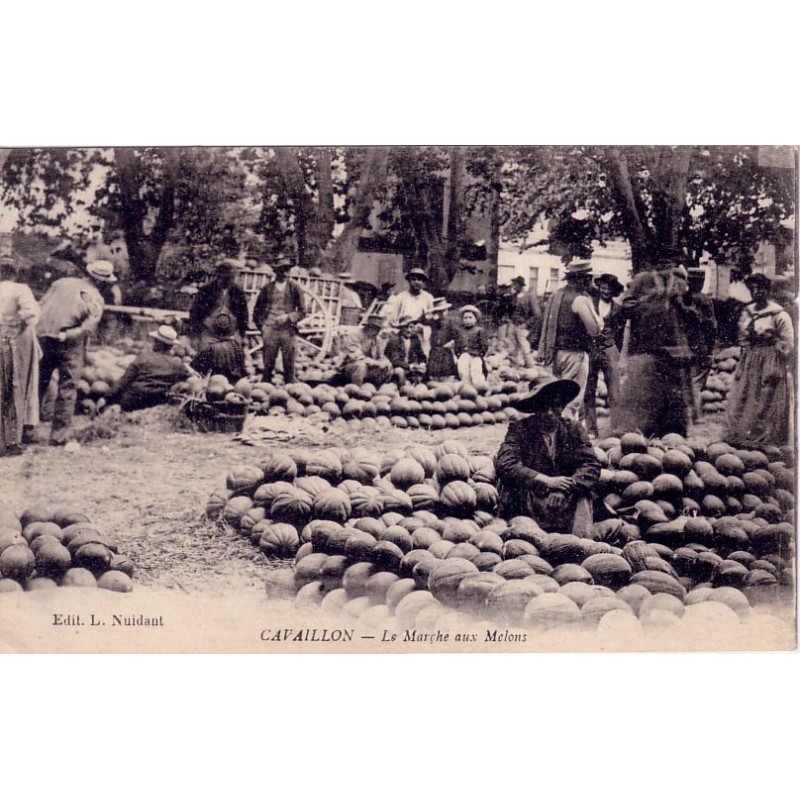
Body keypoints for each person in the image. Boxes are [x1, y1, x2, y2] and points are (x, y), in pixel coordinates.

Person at [495, 376, 601, 536]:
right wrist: (546, 480)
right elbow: (505, 463)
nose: (549, 413)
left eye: (555, 405)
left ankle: (580, 543)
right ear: (535, 408)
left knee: (583, 495)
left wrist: (566, 487)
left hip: (566, 497)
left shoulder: (574, 429)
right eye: (543, 407)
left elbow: (591, 465)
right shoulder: (520, 429)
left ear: (562, 406)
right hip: (532, 497)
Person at [615, 258, 697, 438]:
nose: (666, 265)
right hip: (646, 348)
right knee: (645, 396)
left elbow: (692, 314)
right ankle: (640, 435)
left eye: (670, 261)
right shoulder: (642, 280)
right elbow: (623, 308)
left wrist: (680, 304)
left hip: (674, 351)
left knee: (673, 398)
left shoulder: (680, 283)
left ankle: (673, 434)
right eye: (662, 259)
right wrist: (649, 301)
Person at [37, 259, 115, 445]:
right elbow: (88, 327)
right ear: (102, 281)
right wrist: (67, 335)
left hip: (45, 338)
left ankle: (26, 429)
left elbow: (42, 305)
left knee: (38, 383)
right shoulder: (95, 297)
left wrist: (42, 330)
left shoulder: (60, 283)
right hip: (69, 342)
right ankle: (58, 436)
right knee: (67, 388)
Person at [725, 273, 795, 448]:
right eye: (753, 289)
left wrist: (773, 345)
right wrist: (748, 348)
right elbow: (742, 336)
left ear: (767, 291)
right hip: (751, 360)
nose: (757, 292)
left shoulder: (778, 314)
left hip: (770, 360)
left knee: (766, 396)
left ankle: (764, 438)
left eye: (760, 289)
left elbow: (788, 343)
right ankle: (744, 435)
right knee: (746, 394)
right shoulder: (748, 312)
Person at [537, 259, 603, 423]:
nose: (590, 282)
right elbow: (595, 329)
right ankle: (566, 433)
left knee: (562, 395)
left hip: (557, 354)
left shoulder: (556, 297)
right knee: (572, 401)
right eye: (588, 278)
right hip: (575, 355)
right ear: (582, 279)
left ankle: (567, 431)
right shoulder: (580, 300)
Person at [0, 255, 41, 456]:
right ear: (14, 273)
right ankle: (11, 441)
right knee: (14, 388)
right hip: (10, 344)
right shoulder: (20, 289)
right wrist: (16, 324)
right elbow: (31, 313)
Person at [583, 273, 625, 436]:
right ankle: (591, 429)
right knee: (589, 391)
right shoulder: (590, 305)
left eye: (609, 288)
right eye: (603, 287)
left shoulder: (618, 309)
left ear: (614, 290)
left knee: (614, 391)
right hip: (591, 350)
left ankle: (616, 429)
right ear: (599, 288)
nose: (606, 291)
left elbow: (620, 334)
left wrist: (615, 351)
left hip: (610, 350)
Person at [109, 325, 189, 412]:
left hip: (134, 402)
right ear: (171, 346)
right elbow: (188, 376)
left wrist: (106, 397)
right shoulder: (176, 364)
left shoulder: (144, 357)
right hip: (157, 403)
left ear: (158, 343)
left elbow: (124, 381)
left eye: (155, 340)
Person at [252, 257, 306, 384]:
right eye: (283, 270)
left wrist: (288, 317)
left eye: (288, 270)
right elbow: (257, 311)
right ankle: (265, 388)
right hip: (270, 330)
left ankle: (289, 388)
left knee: (289, 367)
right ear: (277, 271)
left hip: (288, 331)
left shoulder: (295, 288)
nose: (286, 273)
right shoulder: (267, 288)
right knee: (267, 366)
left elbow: (302, 312)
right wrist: (263, 327)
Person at [187, 259, 250, 350]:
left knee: (232, 354)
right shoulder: (206, 290)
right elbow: (195, 312)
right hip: (209, 333)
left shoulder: (238, 291)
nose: (228, 281)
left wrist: (243, 333)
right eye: (225, 278)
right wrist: (196, 332)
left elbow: (243, 313)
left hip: (231, 334)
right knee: (206, 353)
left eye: (230, 278)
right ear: (218, 277)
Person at [684, 267, 718, 423]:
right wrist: (710, 349)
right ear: (702, 282)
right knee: (696, 382)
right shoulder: (705, 300)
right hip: (700, 345)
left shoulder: (681, 298)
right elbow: (711, 326)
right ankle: (696, 416)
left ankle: (687, 414)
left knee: (687, 381)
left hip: (683, 345)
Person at [382, 267, 435, 352]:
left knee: (423, 354)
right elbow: (393, 318)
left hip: (421, 335)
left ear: (423, 282)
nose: (416, 282)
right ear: (409, 281)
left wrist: (423, 325)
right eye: (414, 279)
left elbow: (432, 318)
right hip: (404, 334)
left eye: (419, 280)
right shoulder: (401, 297)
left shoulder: (428, 298)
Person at [336, 314, 392, 386]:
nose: (378, 331)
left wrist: (386, 362)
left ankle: (375, 388)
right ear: (369, 327)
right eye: (375, 328)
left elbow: (381, 355)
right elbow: (356, 356)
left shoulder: (376, 338)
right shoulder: (354, 335)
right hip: (349, 365)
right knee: (361, 366)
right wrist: (375, 362)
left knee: (387, 367)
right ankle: (356, 388)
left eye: (378, 329)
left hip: (369, 365)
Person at [191, 313, 247, 382]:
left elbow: (196, 367)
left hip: (217, 383)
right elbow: (243, 369)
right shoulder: (237, 347)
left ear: (215, 329)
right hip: (235, 383)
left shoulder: (210, 349)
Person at [384, 315, 427, 385]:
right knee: (400, 371)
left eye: (411, 327)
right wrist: (410, 366)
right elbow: (395, 361)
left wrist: (422, 364)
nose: (409, 330)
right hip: (396, 370)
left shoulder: (415, 339)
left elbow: (421, 355)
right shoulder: (394, 340)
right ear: (401, 328)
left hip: (410, 370)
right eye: (406, 327)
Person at [422, 298, 457, 380]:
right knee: (433, 374)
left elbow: (456, 335)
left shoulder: (450, 322)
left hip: (446, 350)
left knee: (447, 373)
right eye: (439, 311)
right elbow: (422, 321)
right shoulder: (433, 321)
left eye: (444, 311)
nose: (442, 313)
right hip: (435, 351)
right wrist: (427, 313)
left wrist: (452, 342)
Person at [453, 305, 488, 386]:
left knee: (476, 371)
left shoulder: (479, 330)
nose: (468, 320)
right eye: (465, 318)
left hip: (475, 355)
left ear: (475, 319)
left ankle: (479, 387)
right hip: (463, 355)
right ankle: (467, 387)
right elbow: (457, 344)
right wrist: (459, 354)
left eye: (470, 317)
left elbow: (484, 345)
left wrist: (479, 354)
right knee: (463, 371)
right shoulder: (460, 331)